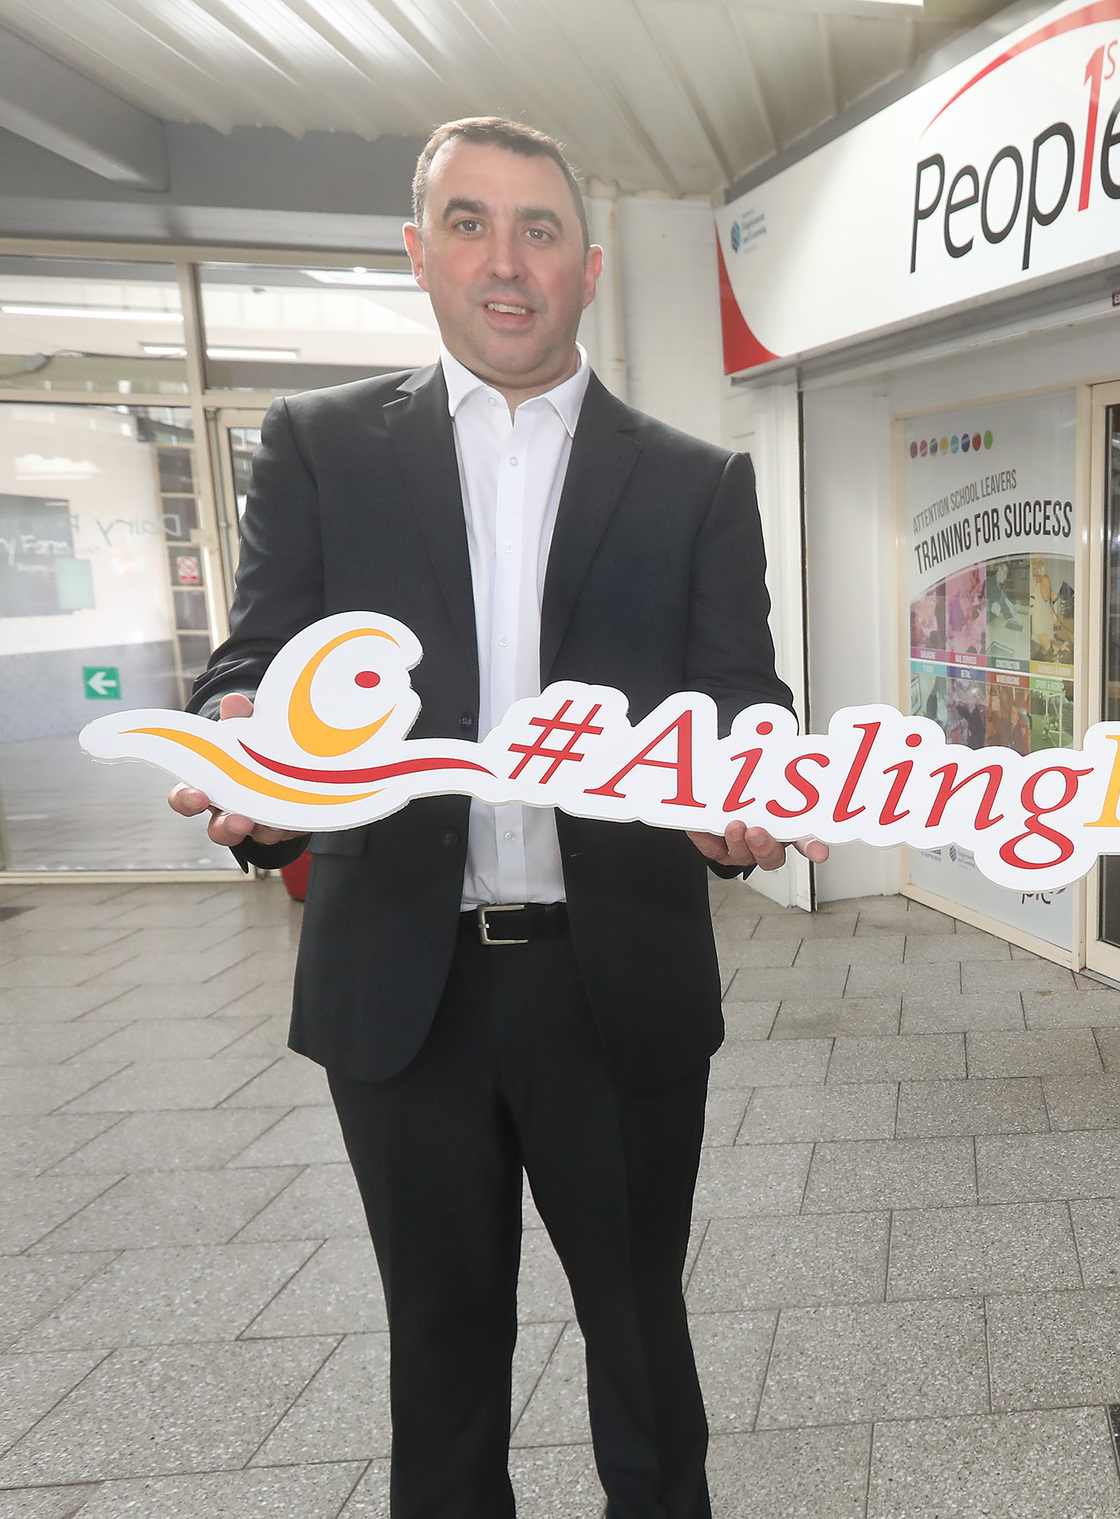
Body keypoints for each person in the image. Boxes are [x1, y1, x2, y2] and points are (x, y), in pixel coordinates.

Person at [166, 117, 825, 1519]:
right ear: (419, 253)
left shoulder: (695, 478)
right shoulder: (320, 446)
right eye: (470, 223)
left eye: (539, 230)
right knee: (442, 1348)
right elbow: (255, 661)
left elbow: (739, 697)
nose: (505, 260)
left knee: (644, 1342)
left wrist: (740, 794)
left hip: (618, 974)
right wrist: (244, 745)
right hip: (403, 982)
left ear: (587, 268)